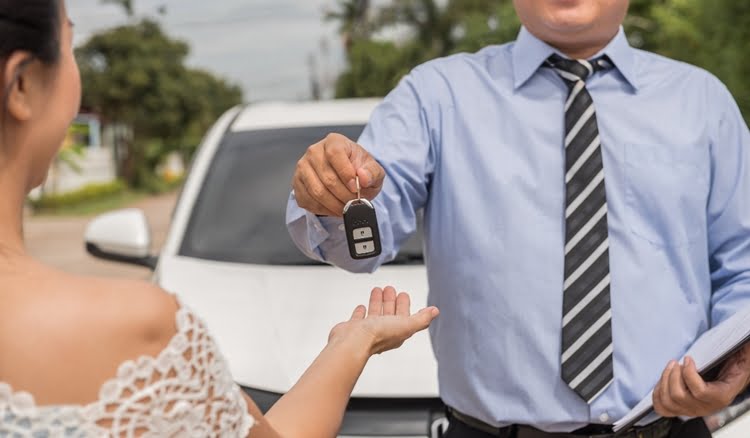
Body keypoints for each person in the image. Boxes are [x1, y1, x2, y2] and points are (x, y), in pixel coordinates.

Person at [286, 0, 750, 437]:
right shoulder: (435, 97)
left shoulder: (702, 101)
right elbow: (365, 223)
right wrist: (331, 195)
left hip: (671, 428)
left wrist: (734, 367)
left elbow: (743, 263)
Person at [0, 1, 439, 436]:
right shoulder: (135, 328)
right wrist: (356, 342)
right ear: (22, 85)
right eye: (72, 47)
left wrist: (350, 340)